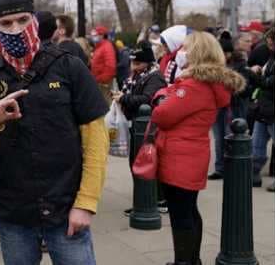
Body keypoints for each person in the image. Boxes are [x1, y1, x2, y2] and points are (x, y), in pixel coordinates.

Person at [0, 0, 110, 265]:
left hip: (67, 210)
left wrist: (86, 203)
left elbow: (95, 138)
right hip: (15, 217)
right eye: (6, 23)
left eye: (22, 20)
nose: (15, 28)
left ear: (34, 20)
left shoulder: (68, 66)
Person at [150, 31, 245, 265]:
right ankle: (191, 259)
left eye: (187, 48)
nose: (182, 52)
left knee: (181, 214)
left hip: (179, 157)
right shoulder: (205, 84)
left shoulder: (193, 85)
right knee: (189, 211)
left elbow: (162, 115)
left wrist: (163, 96)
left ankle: (184, 261)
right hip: (191, 154)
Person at [111, 41, 166, 217]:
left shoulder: (155, 77)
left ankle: (152, 200)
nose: (133, 67)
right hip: (135, 124)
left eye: (138, 63)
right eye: (132, 63)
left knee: (144, 163)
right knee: (137, 162)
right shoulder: (137, 75)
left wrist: (124, 98)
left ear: (148, 63)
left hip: (146, 126)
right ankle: (144, 199)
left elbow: (147, 100)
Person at [208, 37, 253, 180]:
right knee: (218, 139)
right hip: (218, 106)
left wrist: (230, 87)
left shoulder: (241, 65)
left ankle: (233, 169)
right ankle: (220, 169)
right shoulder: (215, 65)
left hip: (233, 107)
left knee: (231, 138)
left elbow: (245, 89)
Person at [249, 29, 275, 191]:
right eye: (269, 42)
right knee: (256, 146)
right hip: (263, 108)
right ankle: (253, 175)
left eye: (272, 42)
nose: (270, 45)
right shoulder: (271, 57)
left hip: (272, 108)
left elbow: (270, 83)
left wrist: (254, 75)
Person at [88, 25, 117, 103]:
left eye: (95, 35)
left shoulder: (106, 47)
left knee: (106, 103)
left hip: (103, 83)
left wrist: (101, 80)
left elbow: (111, 67)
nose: (93, 37)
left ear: (102, 35)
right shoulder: (99, 47)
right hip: (99, 81)